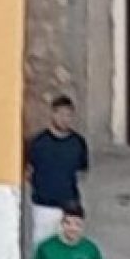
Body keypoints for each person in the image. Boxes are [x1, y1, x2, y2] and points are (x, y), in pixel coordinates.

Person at [25, 96, 90, 251]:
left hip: (70, 206)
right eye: (61, 114)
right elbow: (27, 170)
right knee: (42, 247)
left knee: (69, 248)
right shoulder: (37, 143)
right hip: (43, 204)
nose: (65, 119)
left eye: (68, 115)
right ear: (53, 114)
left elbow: (82, 172)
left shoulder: (78, 143)